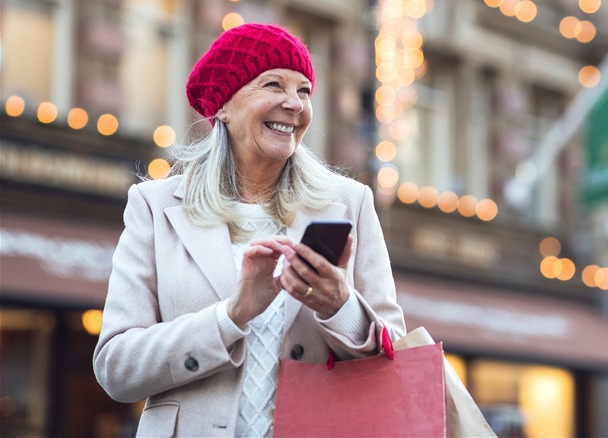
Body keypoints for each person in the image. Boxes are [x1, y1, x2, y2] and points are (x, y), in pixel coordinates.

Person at [93, 23, 406, 437]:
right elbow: (117, 368)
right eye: (273, 85)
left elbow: (394, 356)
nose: (294, 104)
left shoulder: (350, 203)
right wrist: (232, 314)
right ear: (223, 105)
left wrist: (340, 306)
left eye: (305, 91)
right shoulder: (155, 207)